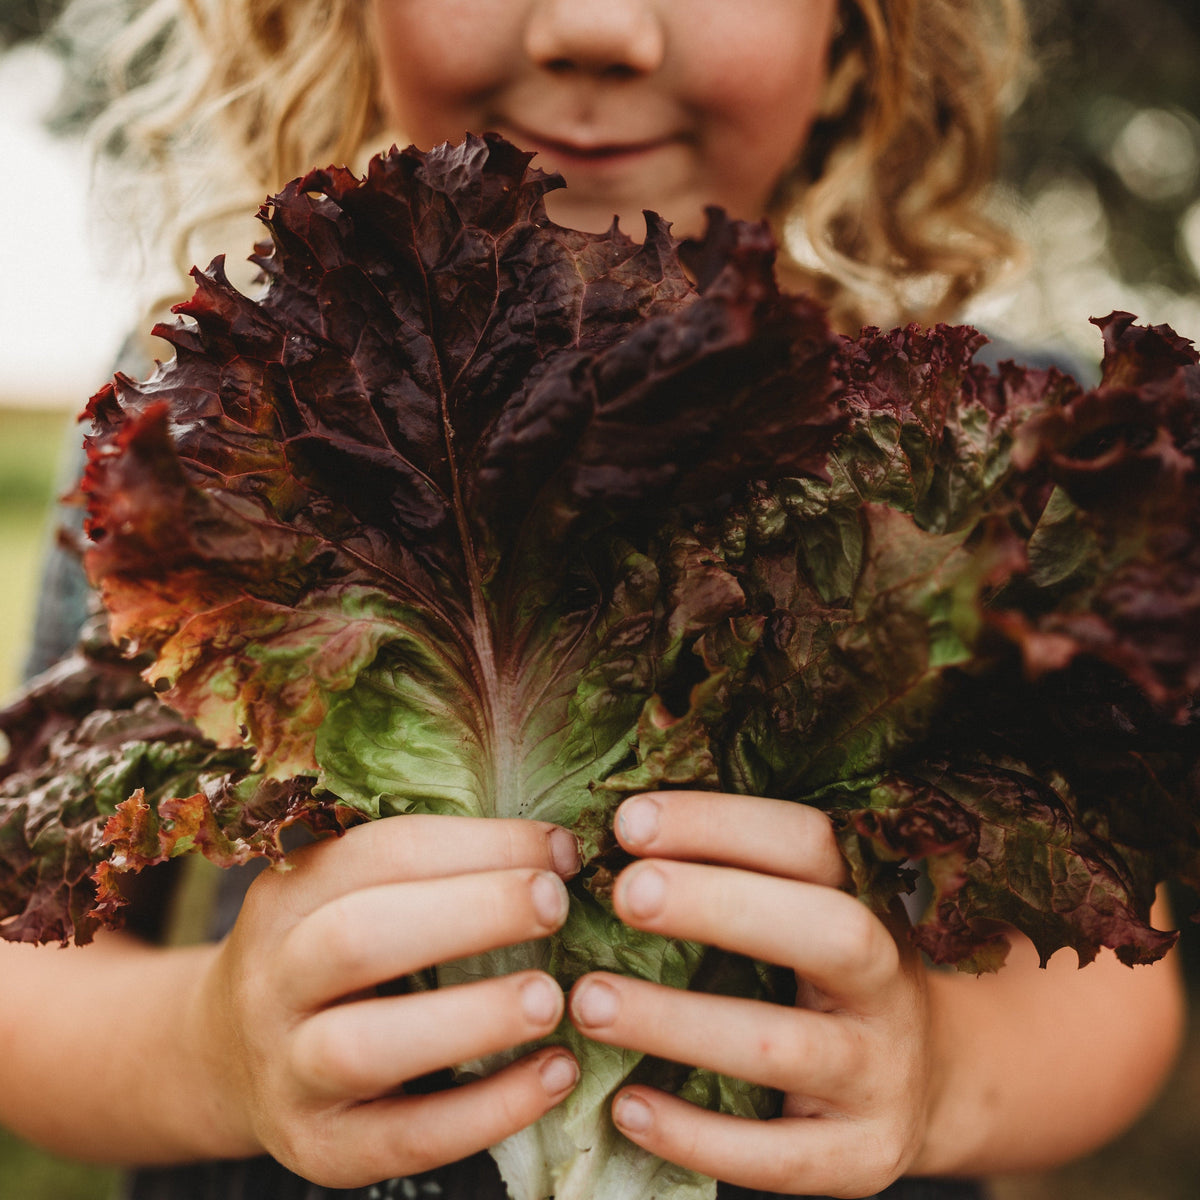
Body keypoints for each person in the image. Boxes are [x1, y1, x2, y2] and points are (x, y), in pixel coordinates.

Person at [0, 2, 1186, 1199]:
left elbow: (1105, 1005)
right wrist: (211, 1049)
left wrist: (939, 1081)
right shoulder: (221, 426)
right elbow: (25, 960)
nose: (597, 26)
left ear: (862, 34)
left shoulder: (1001, 458)